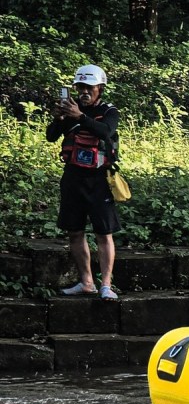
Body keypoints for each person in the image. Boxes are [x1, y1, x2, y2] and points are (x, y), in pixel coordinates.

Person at [45, 64, 121, 299]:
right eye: (80, 87)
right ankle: (86, 282)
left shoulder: (109, 111)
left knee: (103, 232)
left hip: (99, 178)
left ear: (100, 88)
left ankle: (106, 285)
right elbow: (51, 136)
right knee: (75, 231)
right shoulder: (71, 111)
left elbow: (106, 131)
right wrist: (59, 118)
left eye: (90, 87)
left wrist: (81, 117)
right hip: (73, 177)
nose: (84, 92)